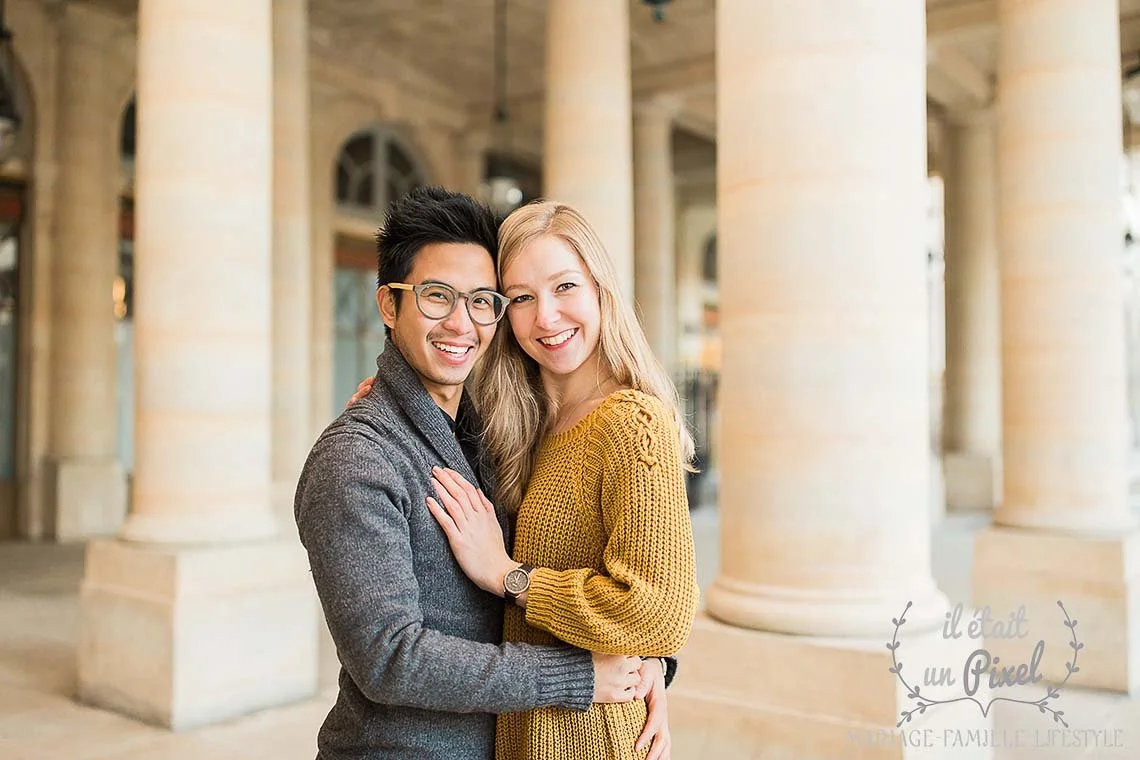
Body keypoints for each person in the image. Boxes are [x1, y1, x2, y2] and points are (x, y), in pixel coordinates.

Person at [294, 186, 668, 760]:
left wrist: (646, 666)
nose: (460, 323)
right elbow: (391, 658)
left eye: (482, 301)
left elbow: (606, 573)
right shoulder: (356, 458)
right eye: (436, 296)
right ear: (389, 306)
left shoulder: (499, 436)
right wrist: (580, 678)